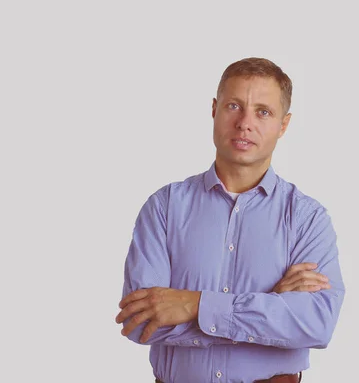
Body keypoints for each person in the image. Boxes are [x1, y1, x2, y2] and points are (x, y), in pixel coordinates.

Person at [115, 57, 345, 383]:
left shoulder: (307, 219)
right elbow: (140, 320)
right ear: (214, 109)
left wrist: (194, 304)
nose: (244, 123)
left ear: (284, 124)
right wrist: (270, 306)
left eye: (263, 111)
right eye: (234, 106)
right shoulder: (164, 207)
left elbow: (317, 325)